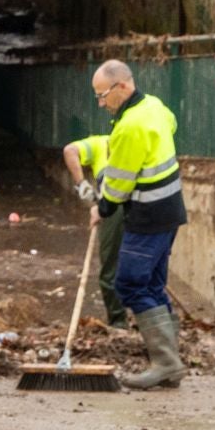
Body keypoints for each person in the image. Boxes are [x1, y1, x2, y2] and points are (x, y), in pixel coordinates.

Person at [91, 58, 187, 389]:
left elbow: (118, 187)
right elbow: (171, 127)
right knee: (152, 285)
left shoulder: (129, 126)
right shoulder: (155, 107)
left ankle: (165, 362)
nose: (101, 104)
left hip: (147, 215)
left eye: (103, 96)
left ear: (122, 87)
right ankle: (169, 365)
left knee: (129, 284)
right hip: (170, 209)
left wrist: (102, 207)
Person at [63, 133, 128, 329]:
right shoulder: (134, 140)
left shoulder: (101, 143)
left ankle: (119, 323)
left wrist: (82, 185)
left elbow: (69, 150)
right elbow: (70, 151)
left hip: (115, 209)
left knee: (110, 271)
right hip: (145, 205)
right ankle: (151, 323)